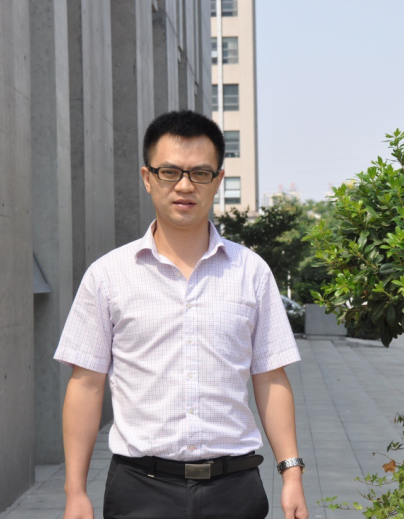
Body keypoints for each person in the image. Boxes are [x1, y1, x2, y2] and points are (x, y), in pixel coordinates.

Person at [54, 110, 308, 519]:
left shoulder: (251, 272)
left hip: (234, 490)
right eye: (169, 172)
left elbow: (270, 378)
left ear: (218, 180)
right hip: (140, 491)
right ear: (147, 177)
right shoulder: (108, 275)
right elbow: (86, 385)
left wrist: (291, 473)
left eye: (200, 173)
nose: (185, 185)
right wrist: (75, 491)